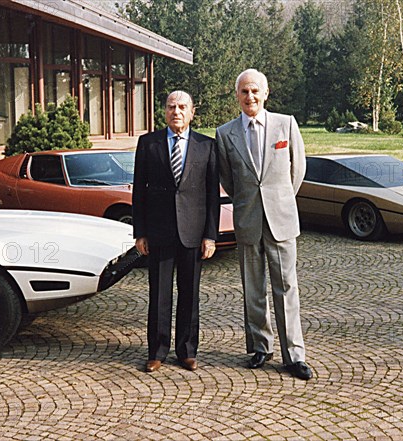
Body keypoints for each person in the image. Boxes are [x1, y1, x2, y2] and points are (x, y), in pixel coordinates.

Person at [215, 69, 312, 380]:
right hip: (248, 220)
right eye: (244, 91)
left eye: (255, 91)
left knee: (286, 288)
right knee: (253, 289)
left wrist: (280, 200)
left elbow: (298, 169)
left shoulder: (286, 124)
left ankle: (293, 355)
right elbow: (228, 180)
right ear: (237, 96)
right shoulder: (225, 133)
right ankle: (260, 346)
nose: (250, 97)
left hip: (281, 220)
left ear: (266, 93)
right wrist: (251, 203)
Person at [133, 90, 219, 373]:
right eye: (171, 107)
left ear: (192, 112)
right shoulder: (148, 144)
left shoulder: (206, 146)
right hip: (159, 232)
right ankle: (157, 351)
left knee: (189, 294)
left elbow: (211, 195)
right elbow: (139, 192)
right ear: (165, 111)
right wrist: (140, 232)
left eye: (183, 107)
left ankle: (187, 351)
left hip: (192, 233)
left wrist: (210, 235)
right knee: (159, 294)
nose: (176, 112)